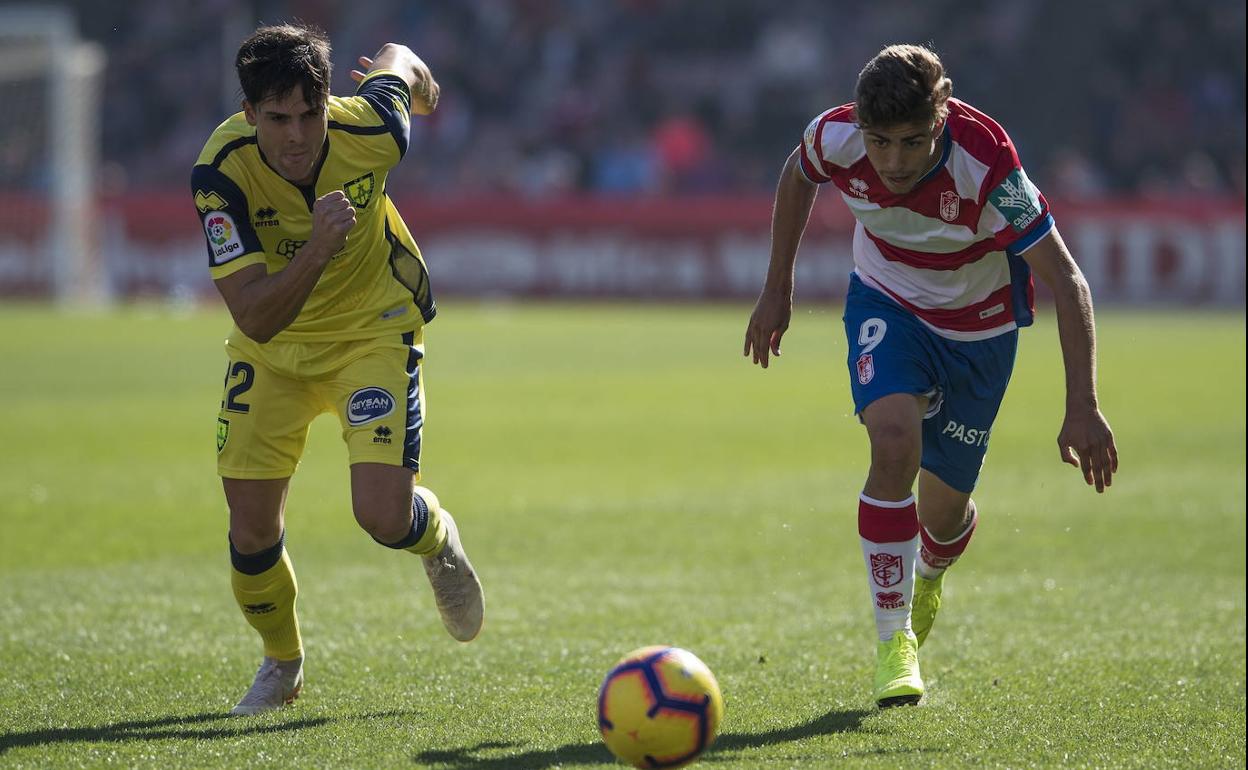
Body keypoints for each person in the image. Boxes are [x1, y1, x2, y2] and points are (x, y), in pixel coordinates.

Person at [743, 44, 1118, 708]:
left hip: (980, 328)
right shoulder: (834, 136)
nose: (892, 161)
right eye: (879, 142)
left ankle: (933, 568)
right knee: (892, 444)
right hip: (886, 299)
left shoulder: (989, 167)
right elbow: (797, 176)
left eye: (912, 142)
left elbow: (1070, 282)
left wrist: (1082, 405)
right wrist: (779, 288)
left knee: (941, 516)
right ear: (860, 125)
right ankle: (895, 642)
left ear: (941, 119)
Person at [191, 23, 485, 716]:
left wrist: (423, 82)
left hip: (372, 331)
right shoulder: (220, 172)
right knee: (251, 530)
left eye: (310, 113)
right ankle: (282, 664)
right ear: (248, 113)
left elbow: (397, 59)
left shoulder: (373, 129)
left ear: (330, 101)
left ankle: (437, 540)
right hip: (273, 351)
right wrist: (318, 249)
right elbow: (255, 318)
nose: (297, 136)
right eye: (277, 119)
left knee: (382, 516)